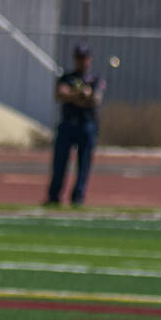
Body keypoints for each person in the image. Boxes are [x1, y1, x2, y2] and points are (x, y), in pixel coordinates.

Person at [45, 42, 106, 207]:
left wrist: (76, 97)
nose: (81, 61)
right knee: (60, 162)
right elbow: (60, 95)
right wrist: (79, 95)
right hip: (67, 124)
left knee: (84, 164)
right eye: (78, 58)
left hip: (87, 125)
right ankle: (54, 196)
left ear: (89, 59)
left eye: (84, 58)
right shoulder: (67, 77)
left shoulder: (95, 79)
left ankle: (78, 197)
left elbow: (94, 100)